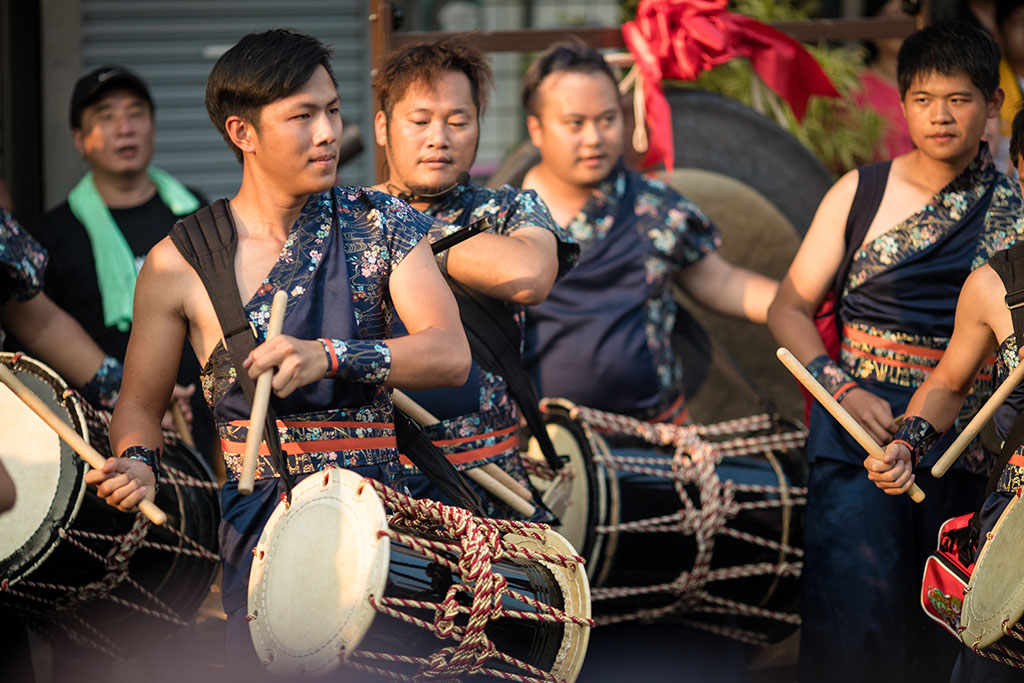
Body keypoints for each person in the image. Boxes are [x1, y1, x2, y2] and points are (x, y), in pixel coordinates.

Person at [83, 29, 470, 676]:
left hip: (382, 524)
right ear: (243, 132)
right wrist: (138, 461)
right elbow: (139, 407)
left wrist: (332, 355)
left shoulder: (381, 223)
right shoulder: (180, 261)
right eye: (302, 116)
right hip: (263, 533)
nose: (327, 132)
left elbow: (448, 352)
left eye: (332, 110)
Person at [767, 22, 1024, 683]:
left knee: (954, 628)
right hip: (862, 435)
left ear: (994, 104)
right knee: (857, 625)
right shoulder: (859, 192)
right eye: (922, 98)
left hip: (968, 446)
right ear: (901, 101)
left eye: (960, 99)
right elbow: (787, 308)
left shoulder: (1016, 208)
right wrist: (844, 390)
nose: (940, 116)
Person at [371, 37, 577, 519]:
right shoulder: (342, 214)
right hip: (382, 485)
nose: (438, 137)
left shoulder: (509, 208)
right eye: (419, 121)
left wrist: (399, 228)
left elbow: (529, 276)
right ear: (383, 126)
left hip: (493, 483)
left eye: (458, 121)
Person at [519, 41, 777, 425]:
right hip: (542, 442)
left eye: (607, 120)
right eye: (576, 124)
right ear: (536, 129)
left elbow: (723, 283)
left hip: (655, 432)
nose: (594, 138)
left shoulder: (655, 207)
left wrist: (800, 302)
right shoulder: (501, 218)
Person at [31, 65, 209, 452]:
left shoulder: (196, 214)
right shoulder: (53, 233)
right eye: (105, 118)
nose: (124, 128)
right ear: (79, 140)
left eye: (135, 113)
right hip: (103, 434)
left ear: (153, 126)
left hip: (202, 425)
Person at [857, 0, 916, 161]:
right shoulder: (855, 89)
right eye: (893, 17)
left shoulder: (935, 86)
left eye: (908, 17)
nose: (900, 26)